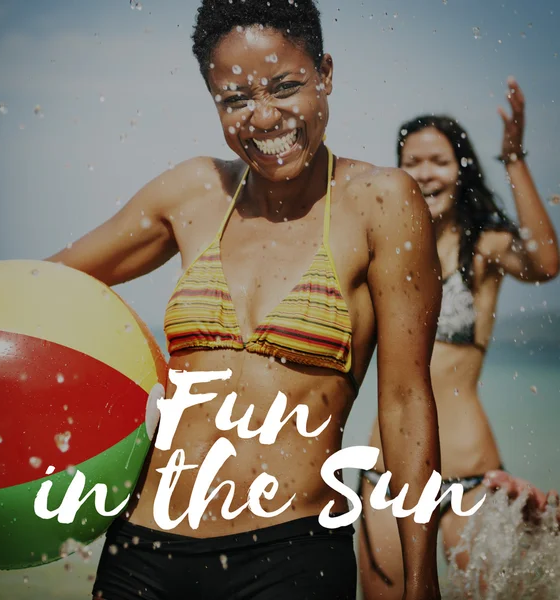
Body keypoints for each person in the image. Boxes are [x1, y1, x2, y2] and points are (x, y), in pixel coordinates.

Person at [47, 1, 443, 599]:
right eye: (234, 99)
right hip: (142, 547)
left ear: (326, 74)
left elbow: (407, 400)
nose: (263, 117)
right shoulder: (195, 190)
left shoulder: (382, 202)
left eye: (286, 88)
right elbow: (40, 287)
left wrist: (421, 580)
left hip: (290, 551)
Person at [357, 78, 560, 600]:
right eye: (413, 162)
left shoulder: (485, 249)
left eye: (439, 161)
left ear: (461, 168)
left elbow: (545, 261)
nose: (426, 172)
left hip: (471, 476)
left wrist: (513, 158)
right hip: (387, 475)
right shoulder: (382, 252)